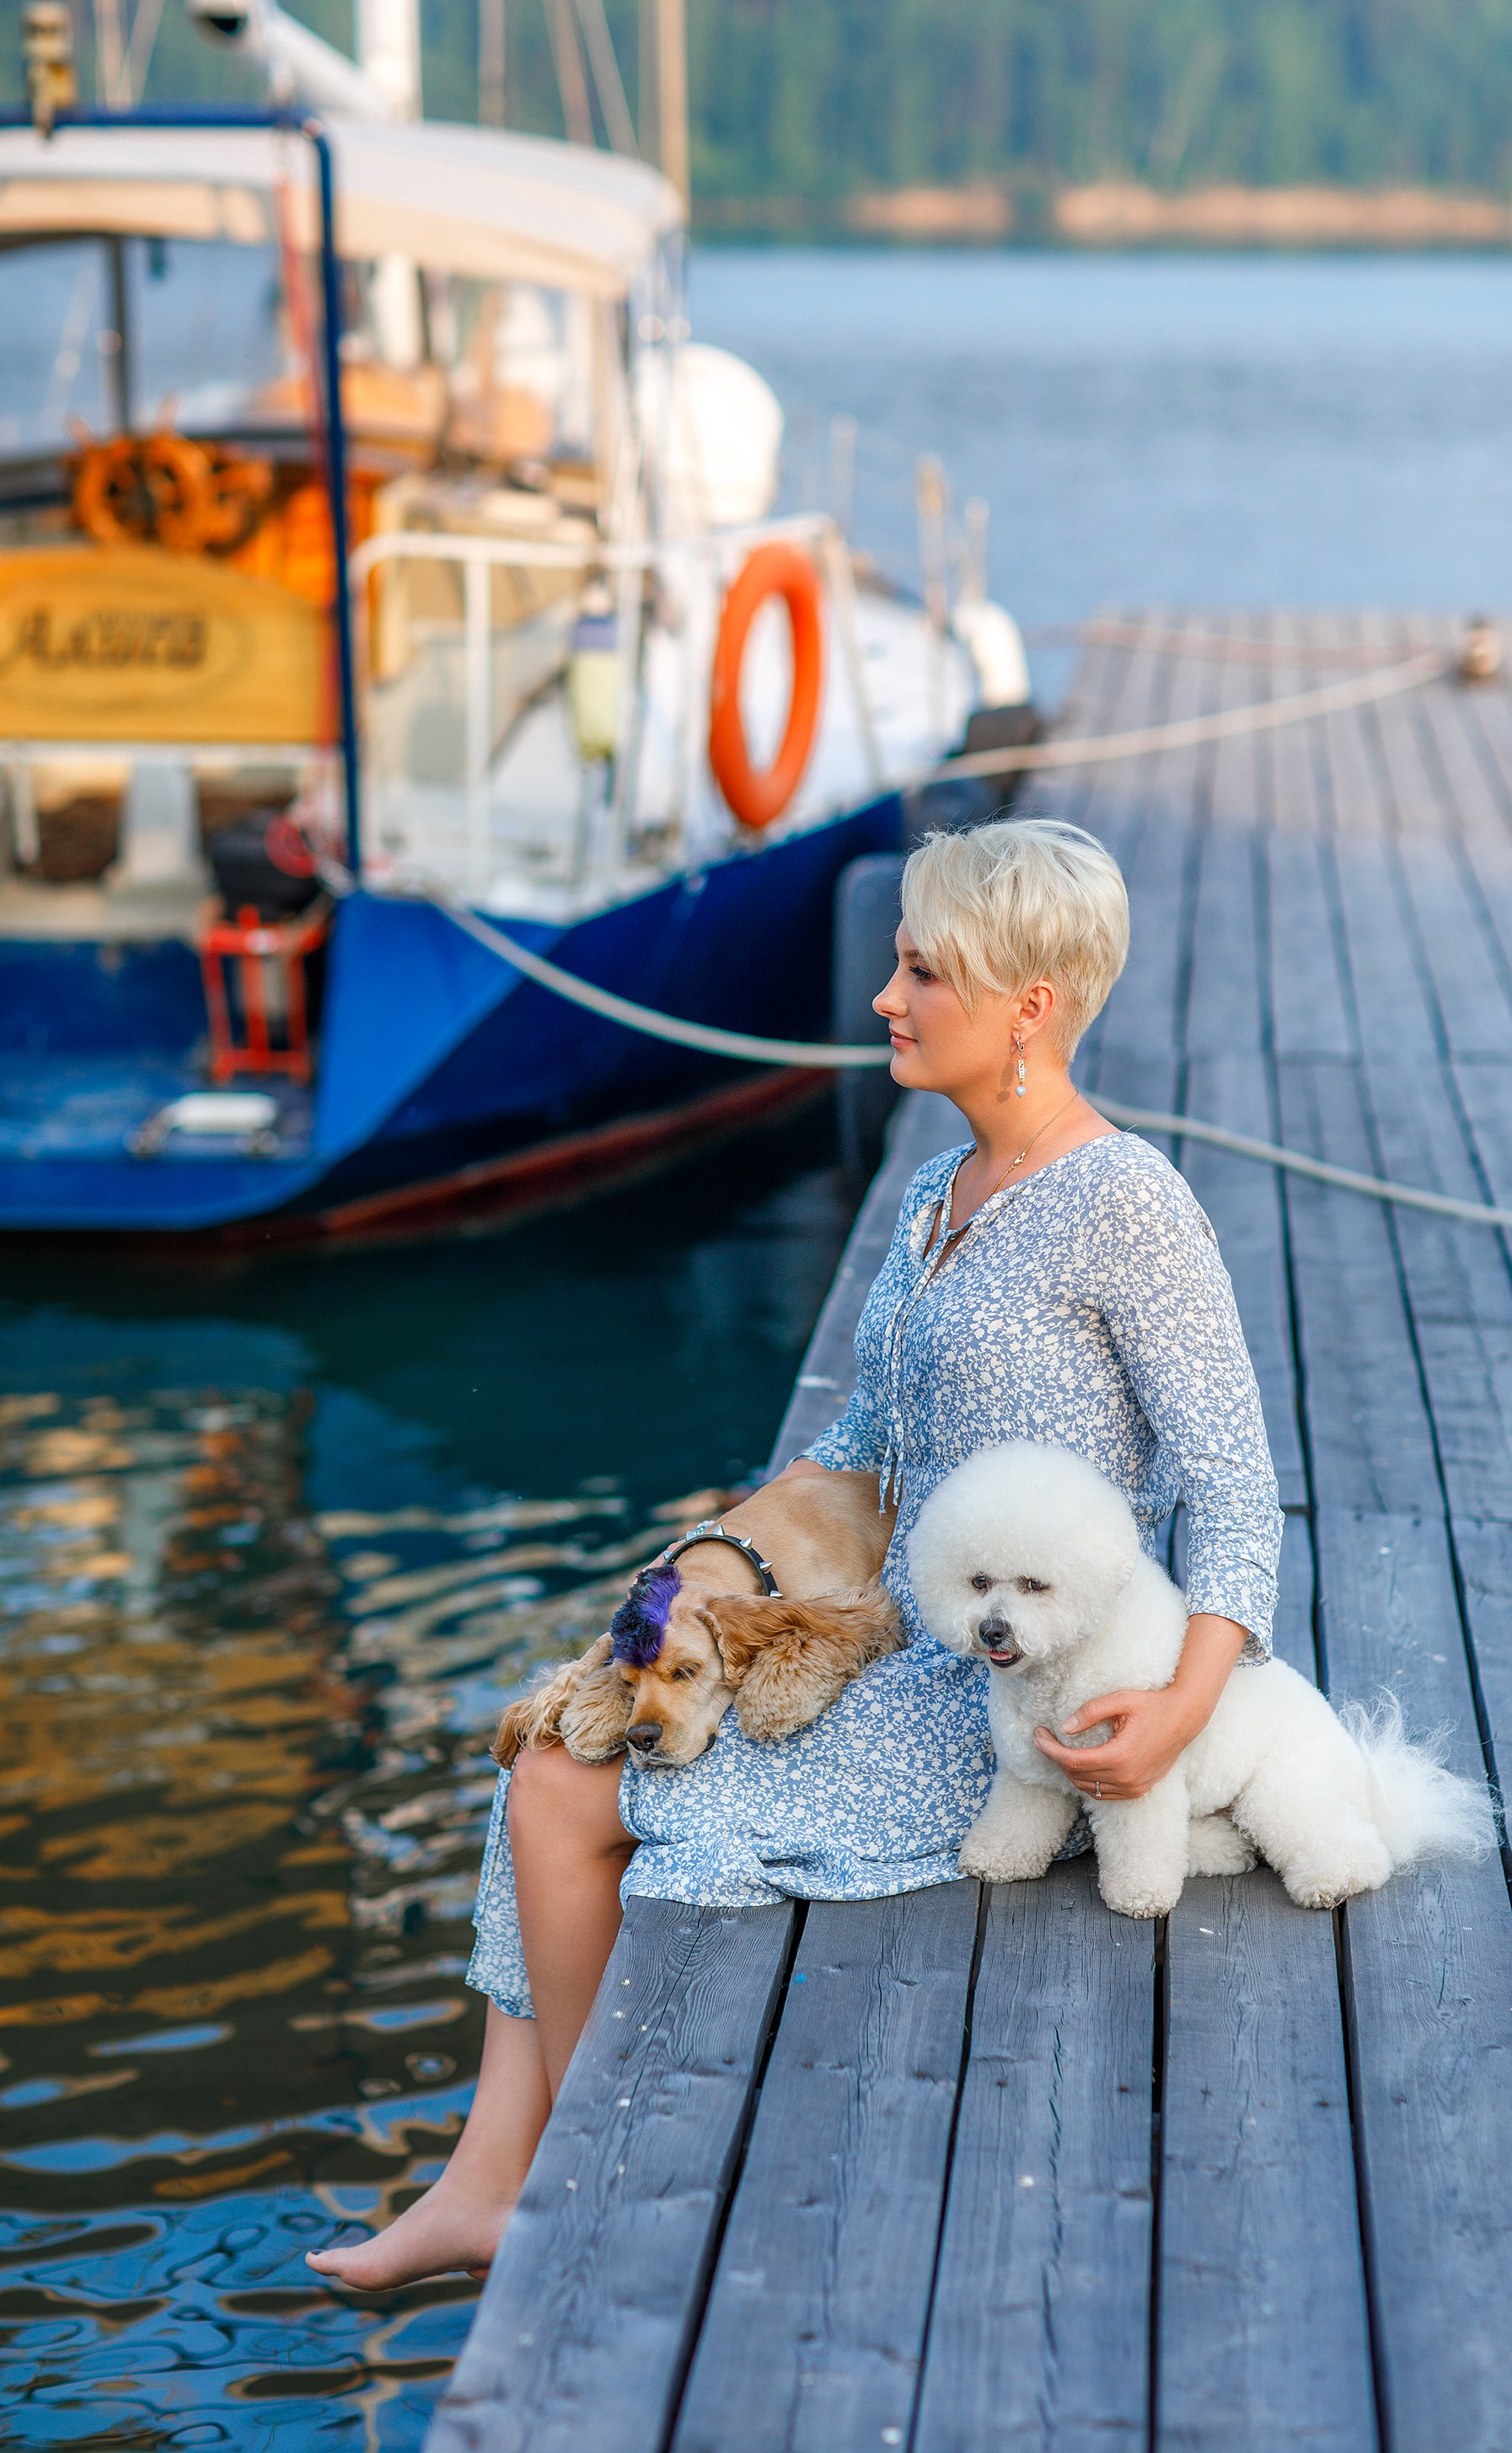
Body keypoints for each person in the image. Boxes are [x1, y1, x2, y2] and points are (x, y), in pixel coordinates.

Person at [307, 817, 1282, 2288]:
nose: (885, 999)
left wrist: (1183, 1711)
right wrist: (690, 1577)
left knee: (576, 1791)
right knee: (561, 1734)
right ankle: (494, 2178)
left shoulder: (1127, 1202)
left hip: (1023, 1704)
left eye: (921, 971)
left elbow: (1238, 1492)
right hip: (902, 1648)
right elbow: (849, 1457)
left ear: (1030, 1006)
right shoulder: (933, 1196)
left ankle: (566, 2188)